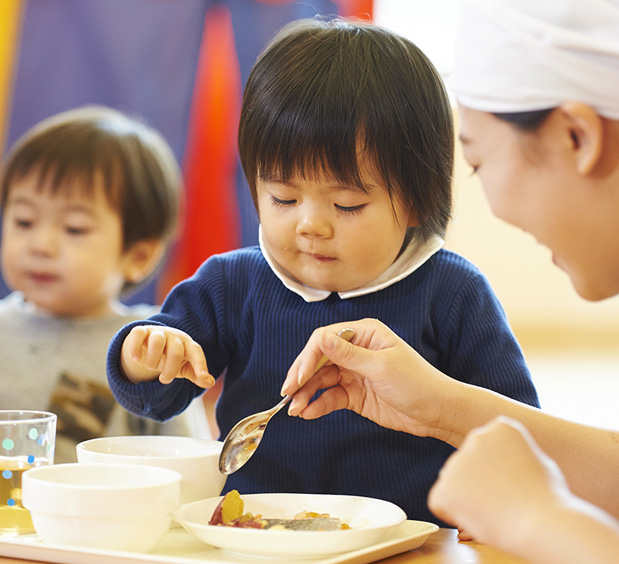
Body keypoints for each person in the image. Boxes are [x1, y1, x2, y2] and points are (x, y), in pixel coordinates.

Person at [106, 17, 539, 523]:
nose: (310, 225)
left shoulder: (452, 291)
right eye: (283, 197)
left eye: (348, 204)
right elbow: (157, 397)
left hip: (406, 539)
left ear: (419, 202)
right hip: (257, 534)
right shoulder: (231, 283)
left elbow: (515, 428)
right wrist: (147, 354)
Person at [280, 1, 619, 563]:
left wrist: (538, 518)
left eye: (479, 161)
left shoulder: (453, 289)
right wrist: (439, 406)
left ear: (577, 137)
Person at [0, 106, 207, 462]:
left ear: (138, 255)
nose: (41, 245)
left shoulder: (151, 344)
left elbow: (187, 462)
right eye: (24, 221)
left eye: (74, 228)